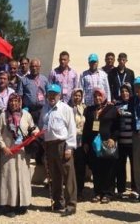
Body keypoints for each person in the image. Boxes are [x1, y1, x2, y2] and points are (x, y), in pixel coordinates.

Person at [0, 92, 38, 217]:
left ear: (20, 102)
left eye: (16, 101)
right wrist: (3, 147)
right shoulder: (3, 116)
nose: (14, 103)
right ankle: (9, 206)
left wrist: (35, 132)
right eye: (11, 101)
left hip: (22, 154)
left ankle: (22, 204)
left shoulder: (26, 115)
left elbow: (33, 127)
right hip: (8, 154)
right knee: (9, 179)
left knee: (22, 179)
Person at [41, 84, 77, 216]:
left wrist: (69, 147)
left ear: (59, 95)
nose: (51, 96)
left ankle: (71, 204)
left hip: (62, 144)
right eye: (50, 94)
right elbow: (42, 125)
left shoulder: (65, 109)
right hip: (49, 145)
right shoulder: (45, 108)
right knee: (55, 175)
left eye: (54, 94)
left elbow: (72, 129)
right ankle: (58, 202)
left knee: (68, 175)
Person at [83, 88, 119, 203]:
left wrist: (113, 138)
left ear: (104, 96)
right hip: (94, 144)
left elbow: (117, 126)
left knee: (108, 168)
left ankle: (108, 193)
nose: (97, 98)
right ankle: (98, 192)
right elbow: (87, 128)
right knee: (96, 168)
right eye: (95, 96)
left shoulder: (112, 109)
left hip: (107, 143)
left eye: (100, 96)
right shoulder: (89, 110)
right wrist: (85, 142)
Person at [114, 84, 134, 199]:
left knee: (134, 166)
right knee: (120, 166)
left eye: (126, 91)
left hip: (132, 141)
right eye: (122, 91)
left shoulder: (134, 104)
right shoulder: (117, 105)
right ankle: (121, 189)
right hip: (121, 141)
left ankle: (135, 189)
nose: (124, 93)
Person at [68, 89, 87, 201]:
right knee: (70, 167)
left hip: (81, 141)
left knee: (80, 167)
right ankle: (70, 191)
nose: (77, 97)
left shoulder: (85, 108)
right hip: (70, 140)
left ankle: (79, 191)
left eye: (79, 95)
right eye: (75, 95)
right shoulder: (67, 108)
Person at [18, 58, 48, 125]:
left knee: (41, 129)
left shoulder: (44, 79)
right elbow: (19, 96)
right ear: (29, 67)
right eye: (32, 66)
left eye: (36, 66)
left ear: (39, 67)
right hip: (28, 110)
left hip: (42, 110)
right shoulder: (24, 80)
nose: (34, 68)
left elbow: (48, 94)